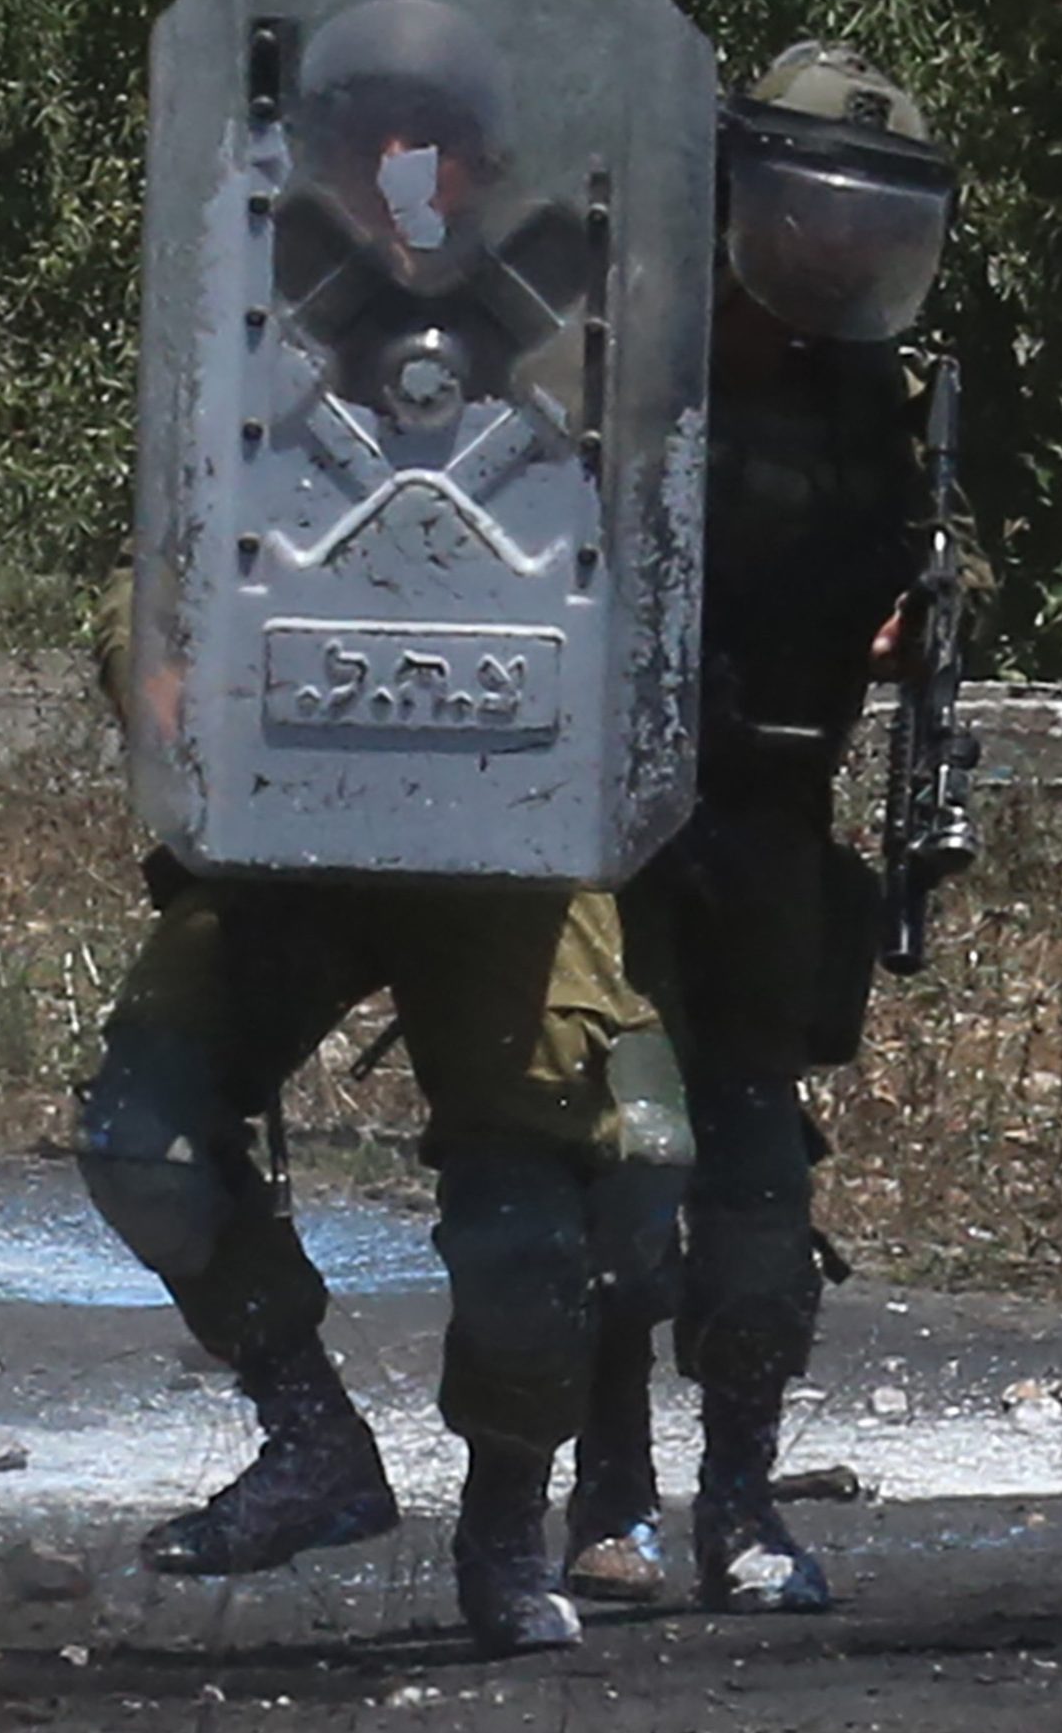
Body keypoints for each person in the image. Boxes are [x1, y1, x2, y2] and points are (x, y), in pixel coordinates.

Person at [78, 577, 694, 1656]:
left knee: (532, 1217)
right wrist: (158, 670)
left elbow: (652, 566)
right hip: (292, 819)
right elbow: (170, 555)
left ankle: (504, 1517)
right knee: (143, 1138)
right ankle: (311, 1439)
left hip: (509, 830)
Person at [564, 42, 958, 1615]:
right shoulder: (635, 351)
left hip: (776, 826)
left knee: (755, 1199)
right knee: (619, 1165)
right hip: (622, 826)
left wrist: (917, 618)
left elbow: (929, 560)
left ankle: (738, 1500)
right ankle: (604, 1494)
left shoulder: (870, 400)